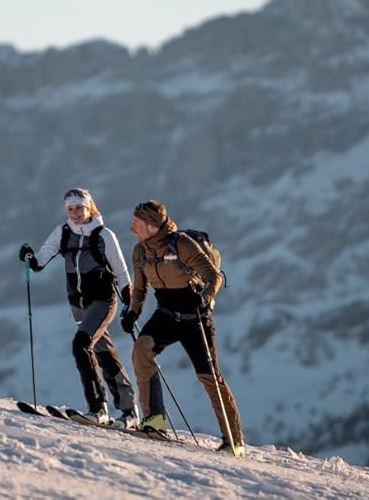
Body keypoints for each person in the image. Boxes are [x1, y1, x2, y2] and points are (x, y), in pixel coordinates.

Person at [121, 199, 246, 456]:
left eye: (136, 224)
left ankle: (234, 442)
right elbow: (141, 288)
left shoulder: (182, 245)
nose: (132, 228)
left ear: (151, 226)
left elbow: (214, 276)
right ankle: (154, 420)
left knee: (209, 376)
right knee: (142, 350)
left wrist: (207, 296)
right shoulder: (140, 252)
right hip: (166, 313)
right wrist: (132, 312)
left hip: (195, 317)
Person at [18, 188, 139, 428]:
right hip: (78, 305)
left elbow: (122, 272)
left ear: (90, 208)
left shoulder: (104, 235)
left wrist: (130, 302)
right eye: (70, 209)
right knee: (104, 352)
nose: (74, 213)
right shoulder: (62, 233)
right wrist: (29, 258)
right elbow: (41, 260)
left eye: (79, 208)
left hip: (103, 302)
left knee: (81, 345)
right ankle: (130, 412)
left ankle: (98, 408)